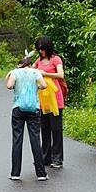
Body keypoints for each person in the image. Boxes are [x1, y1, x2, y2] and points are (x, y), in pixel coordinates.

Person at [6, 55, 49, 181]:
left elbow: (9, 86)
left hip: (18, 109)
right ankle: (41, 173)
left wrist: (13, 82)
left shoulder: (15, 72)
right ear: (30, 64)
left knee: (17, 140)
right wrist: (37, 88)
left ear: (20, 65)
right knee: (35, 139)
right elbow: (44, 85)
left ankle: (15, 173)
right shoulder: (35, 72)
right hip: (33, 109)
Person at [33, 36, 65, 168]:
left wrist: (44, 73)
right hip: (43, 101)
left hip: (55, 100)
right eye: (39, 49)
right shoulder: (38, 61)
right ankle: (45, 157)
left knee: (56, 130)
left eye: (43, 48)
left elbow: (61, 75)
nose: (41, 51)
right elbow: (31, 70)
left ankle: (57, 158)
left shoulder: (55, 59)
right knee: (44, 130)